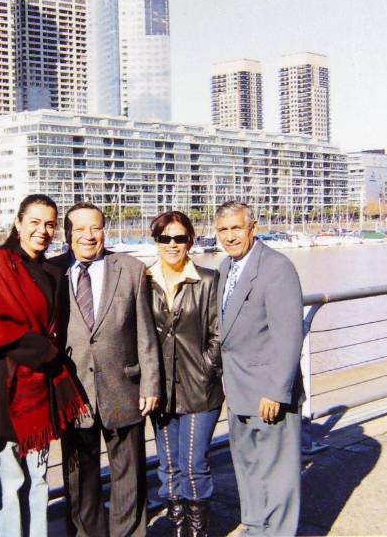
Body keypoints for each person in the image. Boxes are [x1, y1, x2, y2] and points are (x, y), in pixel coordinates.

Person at [0, 194, 88, 537]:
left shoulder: (48, 269)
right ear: (18, 223)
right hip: (8, 387)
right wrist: (48, 353)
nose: (43, 230)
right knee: (10, 477)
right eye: (35, 222)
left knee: (37, 476)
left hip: (40, 387)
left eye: (50, 224)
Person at [55, 202, 161, 537]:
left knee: (129, 476)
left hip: (124, 388)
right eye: (80, 228)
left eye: (96, 227)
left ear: (105, 230)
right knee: (80, 479)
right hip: (73, 393)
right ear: (67, 233)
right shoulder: (53, 271)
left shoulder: (129, 268)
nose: (89, 235)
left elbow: (145, 331)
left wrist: (151, 385)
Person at [215, 201, 304, 536]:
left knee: (278, 475)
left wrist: (277, 390)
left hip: (268, 392)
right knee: (248, 469)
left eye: (237, 228)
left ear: (253, 227)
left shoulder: (276, 267)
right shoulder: (226, 268)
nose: (230, 236)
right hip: (237, 389)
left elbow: (288, 335)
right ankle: (254, 528)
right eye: (223, 230)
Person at [146, 211, 223, 537]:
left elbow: (219, 333)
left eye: (180, 238)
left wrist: (206, 368)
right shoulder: (143, 280)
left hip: (199, 388)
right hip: (159, 390)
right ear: (157, 241)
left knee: (194, 465)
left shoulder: (207, 280)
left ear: (190, 240)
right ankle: (178, 529)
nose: (173, 244)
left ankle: (197, 532)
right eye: (166, 238)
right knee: (169, 467)